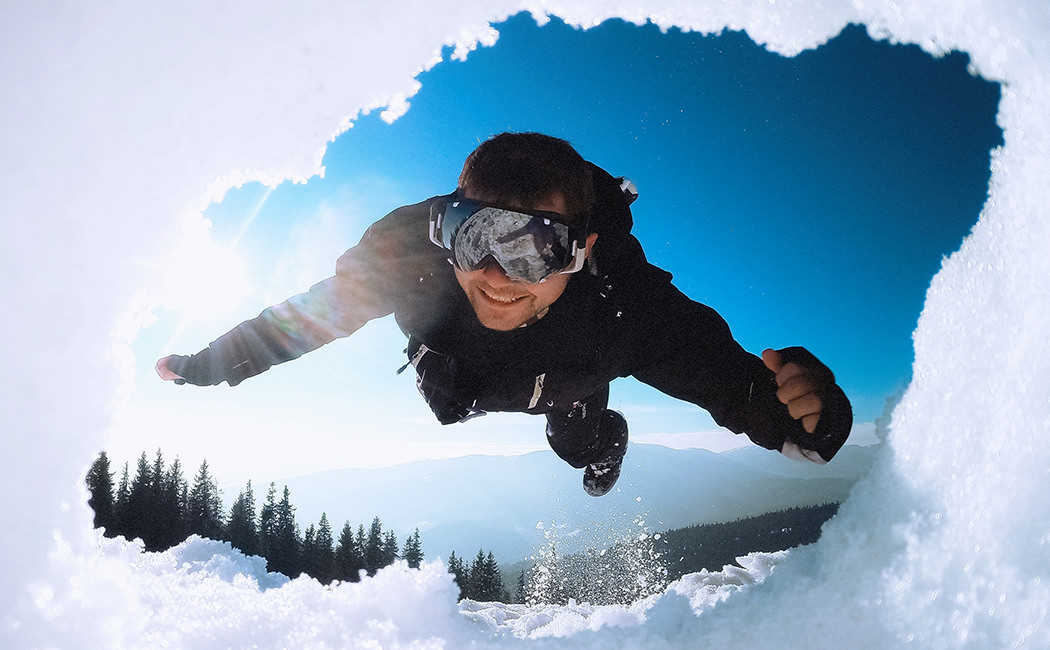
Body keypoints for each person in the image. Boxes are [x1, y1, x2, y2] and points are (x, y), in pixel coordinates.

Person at [157, 132, 853, 497]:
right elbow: (300, 322)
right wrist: (205, 366)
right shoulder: (410, 264)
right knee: (449, 401)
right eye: (474, 235)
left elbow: (731, 385)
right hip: (460, 377)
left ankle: (600, 443)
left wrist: (805, 415)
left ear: (582, 251)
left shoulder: (624, 309)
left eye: (534, 250)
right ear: (444, 230)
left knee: (578, 437)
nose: (493, 275)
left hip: (569, 380)